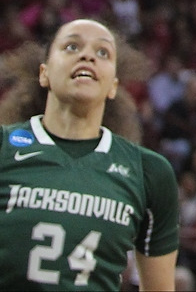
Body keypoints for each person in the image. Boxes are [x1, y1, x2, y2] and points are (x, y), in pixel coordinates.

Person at [0, 18, 180, 290]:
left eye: (102, 52)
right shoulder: (4, 147)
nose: (87, 55)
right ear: (44, 73)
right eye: (72, 46)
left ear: (113, 86)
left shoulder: (149, 172)